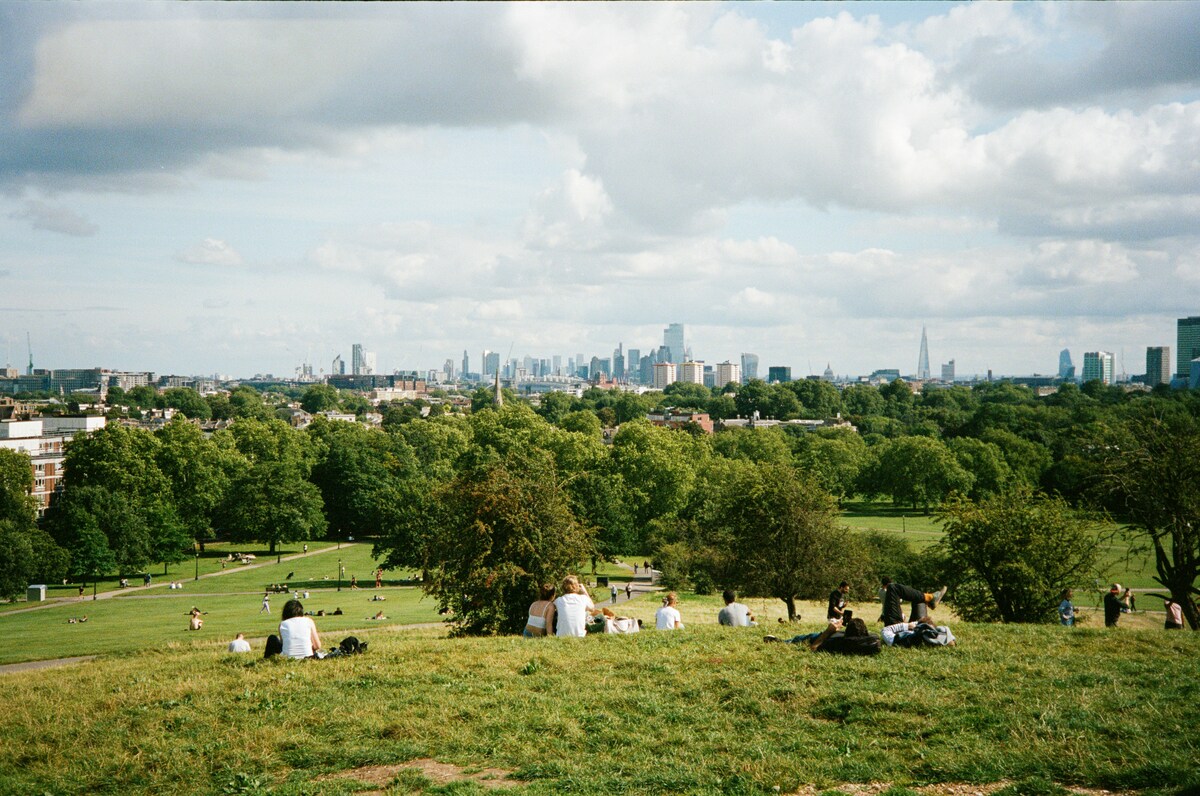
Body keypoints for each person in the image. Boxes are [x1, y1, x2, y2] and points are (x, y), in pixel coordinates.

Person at [765, 618, 882, 655]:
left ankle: (780, 641)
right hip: (835, 634)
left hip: (821, 637)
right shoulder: (871, 641)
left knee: (798, 639)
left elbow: (813, 648)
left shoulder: (839, 643)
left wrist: (828, 631)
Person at [879, 577, 946, 625]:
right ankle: (930, 598)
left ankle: (930, 598)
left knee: (916, 599)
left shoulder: (881, 591)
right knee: (893, 587)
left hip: (896, 627)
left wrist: (906, 626)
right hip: (900, 627)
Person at [881, 616, 956, 647]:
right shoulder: (941, 633)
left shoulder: (900, 639)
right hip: (921, 628)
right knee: (918, 601)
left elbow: (885, 630)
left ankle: (926, 597)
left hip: (914, 630)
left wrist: (907, 625)